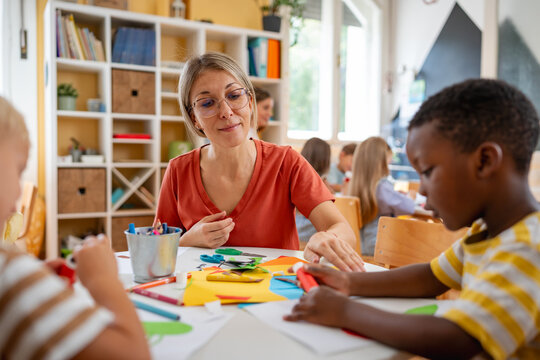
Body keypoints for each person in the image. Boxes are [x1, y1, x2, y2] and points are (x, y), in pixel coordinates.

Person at [285, 79, 540, 359]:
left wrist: (346, 311)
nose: (424, 190)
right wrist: (347, 282)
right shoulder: (487, 231)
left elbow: (460, 339)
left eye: (427, 172)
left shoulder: (528, 248)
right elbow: (431, 277)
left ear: (484, 161)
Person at [155, 52, 364, 272]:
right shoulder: (178, 170)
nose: (226, 112)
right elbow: (155, 251)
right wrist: (187, 240)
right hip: (199, 300)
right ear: (194, 118)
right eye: (208, 103)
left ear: (250, 102)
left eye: (234, 96)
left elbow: (342, 230)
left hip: (275, 296)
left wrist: (327, 237)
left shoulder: (286, 162)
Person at [0, 97, 150, 360]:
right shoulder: (9, 275)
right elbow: (135, 355)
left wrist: (34, 288)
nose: (19, 188)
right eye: (19, 170)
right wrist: (103, 280)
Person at [346, 136, 426, 256]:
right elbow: (408, 207)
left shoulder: (353, 186)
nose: (390, 163)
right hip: (378, 248)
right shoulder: (382, 187)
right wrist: (410, 197)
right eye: (388, 160)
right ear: (381, 163)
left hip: (357, 246)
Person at [295, 137, 334, 248]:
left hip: (296, 231)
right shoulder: (321, 183)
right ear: (325, 160)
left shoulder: (297, 176)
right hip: (311, 236)